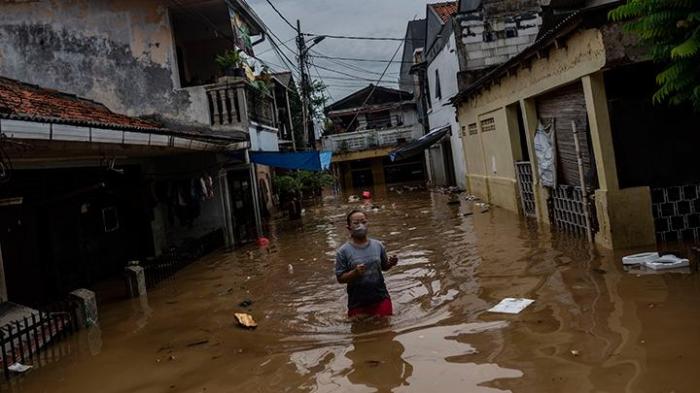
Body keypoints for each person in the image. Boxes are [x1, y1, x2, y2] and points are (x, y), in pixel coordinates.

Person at [335, 209, 398, 317]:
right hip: (357, 303)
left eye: (363, 222)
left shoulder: (378, 245)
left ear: (368, 224)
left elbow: (384, 267)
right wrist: (354, 273)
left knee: (387, 330)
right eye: (356, 223)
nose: (361, 226)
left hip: (381, 298)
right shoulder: (343, 251)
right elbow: (340, 278)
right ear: (349, 228)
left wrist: (391, 263)